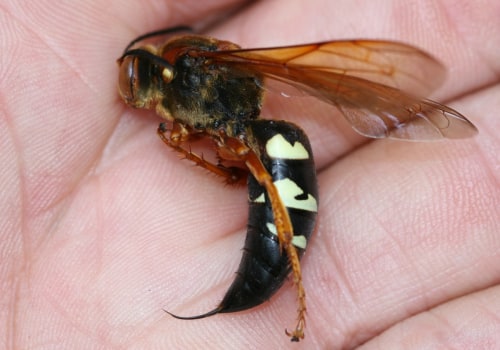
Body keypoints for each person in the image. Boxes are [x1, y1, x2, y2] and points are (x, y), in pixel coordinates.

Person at [1, 1, 498, 348]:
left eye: (134, 77)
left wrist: (227, 162)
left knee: (256, 158)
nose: (132, 91)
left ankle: (295, 276)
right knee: (241, 157)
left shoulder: (198, 70)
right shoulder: (179, 108)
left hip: (270, 157)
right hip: (247, 150)